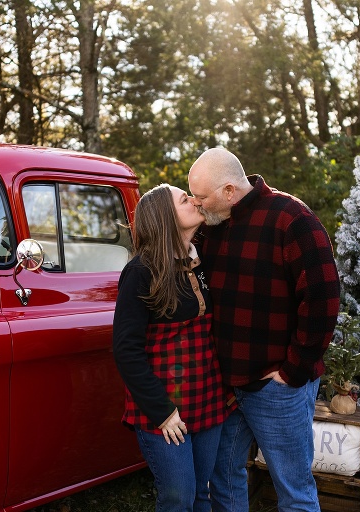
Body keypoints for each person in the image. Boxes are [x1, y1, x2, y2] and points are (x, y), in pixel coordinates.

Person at [188, 148, 341, 512]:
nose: (196, 203)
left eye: (201, 196)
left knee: (293, 488)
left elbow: (323, 296)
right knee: (223, 479)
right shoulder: (210, 226)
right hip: (226, 386)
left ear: (229, 190)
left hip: (277, 388)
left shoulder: (291, 218)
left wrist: (294, 369)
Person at [113, 183, 233, 512]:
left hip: (208, 398)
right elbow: (126, 350)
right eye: (185, 199)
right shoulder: (140, 271)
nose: (195, 200)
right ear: (166, 217)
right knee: (178, 497)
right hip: (164, 408)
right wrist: (163, 413)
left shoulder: (203, 261)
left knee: (200, 493)